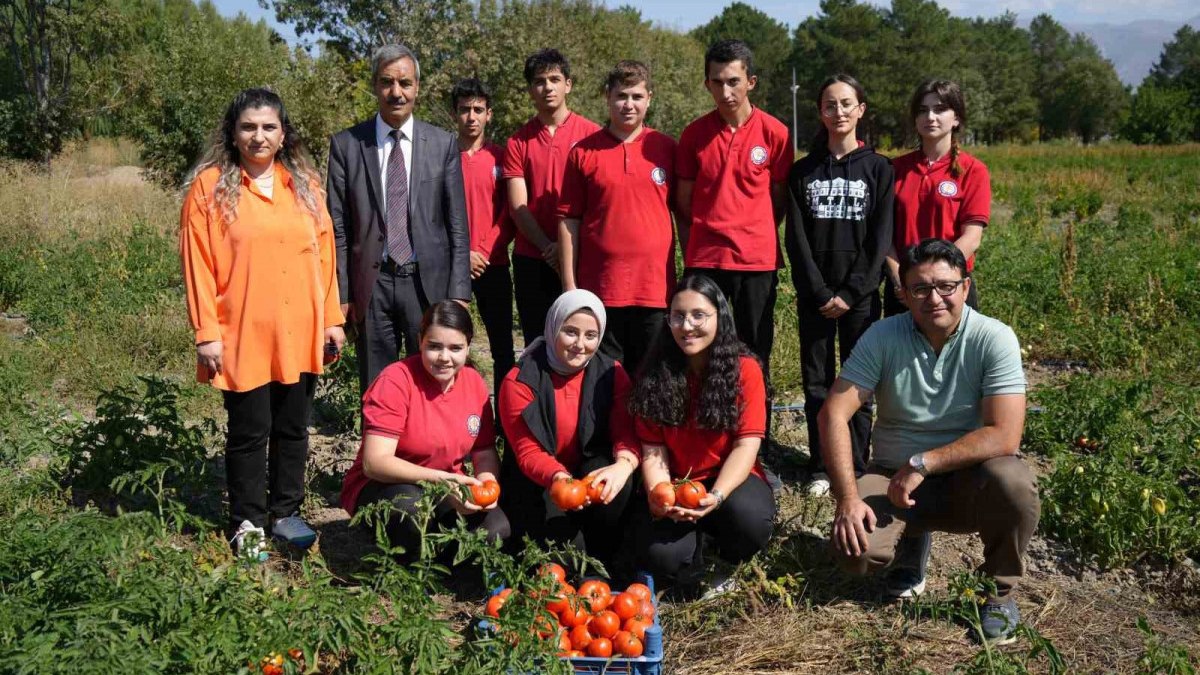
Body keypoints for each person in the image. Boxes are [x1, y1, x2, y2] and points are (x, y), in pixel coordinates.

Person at [820, 238, 1038, 645]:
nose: (933, 298)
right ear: (903, 294)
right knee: (855, 554)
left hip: (967, 477)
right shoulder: (882, 336)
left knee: (1013, 483)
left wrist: (923, 464)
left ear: (965, 287)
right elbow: (834, 411)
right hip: (891, 476)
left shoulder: (994, 338)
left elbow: (1006, 434)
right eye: (919, 289)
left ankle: (1000, 591)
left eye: (945, 286)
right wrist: (847, 496)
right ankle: (911, 541)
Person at [180, 87, 345, 558]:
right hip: (242, 330)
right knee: (250, 431)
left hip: (302, 328)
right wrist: (206, 333)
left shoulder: (306, 186)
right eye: (248, 127)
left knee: (294, 427)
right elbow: (199, 264)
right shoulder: (210, 187)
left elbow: (325, 257)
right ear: (232, 134)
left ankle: (287, 513)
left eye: (268, 127)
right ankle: (248, 522)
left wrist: (332, 320)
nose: (258, 136)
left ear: (283, 133)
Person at [327, 43, 471, 392]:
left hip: (428, 285)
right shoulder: (347, 145)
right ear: (375, 85)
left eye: (405, 83)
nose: (396, 92)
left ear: (417, 88)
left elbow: (457, 224)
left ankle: (426, 449)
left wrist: (459, 291)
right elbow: (338, 228)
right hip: (372, 285)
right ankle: (379, 448)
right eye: (387, 82)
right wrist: (341, 294)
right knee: (377, 387)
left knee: (433, 383)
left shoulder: (442, 144)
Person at [628, 273, 776, 594]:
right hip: (678, 482)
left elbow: (746, 446)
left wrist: (717, 496)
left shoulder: (744, 369)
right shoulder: (654, 372)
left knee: (750, 522)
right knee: (661, 558)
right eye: (678, 316)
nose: (687, 325)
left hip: (729, 479)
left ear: (719, 318)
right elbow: (653, 450)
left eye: (699, 315)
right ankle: (694, 547)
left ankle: (723, 549)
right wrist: (660, 495)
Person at [785, 75, 894, 495]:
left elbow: (880, 237)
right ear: (821, 113)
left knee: (859, 383)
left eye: (847, 104)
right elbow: (796, 239)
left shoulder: (879, 169)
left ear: (860, 109)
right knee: (817, 382)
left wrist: (851, 293)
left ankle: (857, 462)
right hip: (815, 296)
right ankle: (820, 464)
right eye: (830, 105)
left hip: (860, 299)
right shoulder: (802, 172)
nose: (839, 112)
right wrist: (818, 292)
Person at [340, 301, 509, 561]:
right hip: (388, 484)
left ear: (468, 347)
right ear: (420, 341)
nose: (444, 357)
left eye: (455, 348)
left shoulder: (474, 383)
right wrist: (444, 482)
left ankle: (434, 554)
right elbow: (375, 463)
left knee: (498, 529)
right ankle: (409, 561)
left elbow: (484, 450)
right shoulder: (396, 380)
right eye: (434, 346)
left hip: (447, 486)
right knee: (411, 512)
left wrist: (487, 485)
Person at [496, 289, 640, 573]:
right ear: (553, 328)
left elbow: (626, 431)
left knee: (618, 487)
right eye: (570, 332)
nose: (580, 345)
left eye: (590, 335)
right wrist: (560, 479)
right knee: (567, 561)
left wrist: (625, 464)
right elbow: (527, 453)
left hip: (588, 469)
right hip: (540, 480)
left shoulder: (612, 372)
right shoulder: (519, 380)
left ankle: (603, 543)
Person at [675, 39, 790, 374]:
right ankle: (707, 424)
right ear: (706, 83)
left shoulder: (775, 133)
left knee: (755, 350)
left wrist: (755, 229)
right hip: (706, 258)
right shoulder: (694, 135)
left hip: (756, 261)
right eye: (717, 82)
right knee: (701, 349)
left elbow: (779, 198)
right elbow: (684, 200)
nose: (725, 91)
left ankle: (756, 425)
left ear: (750, 81)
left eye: (733, 81)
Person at [558, 60, 677, 374]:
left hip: (655, 291)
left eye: (637, 97)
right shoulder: (582, 153)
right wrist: (571, 286)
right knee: (603, 384)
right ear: (607, 97)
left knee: (653, 381)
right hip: (601, 290)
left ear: (649, 98)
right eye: (622, 96)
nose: (629, 104)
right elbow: (569, 221)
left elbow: (686, 214)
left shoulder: (665, 149)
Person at [504, 49, 602, 344]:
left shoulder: (592, 136)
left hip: (581, 256)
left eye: (554, 79)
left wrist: (566, 248)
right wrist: (549, 246)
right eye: (539, 81)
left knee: (580, 340)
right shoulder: (517, 141)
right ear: (530, 89)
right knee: (537, 341)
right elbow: (518, 206)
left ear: (568, 84)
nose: (547, 87)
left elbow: (596, 202)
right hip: (532, 257)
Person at [885, 79, 991, 316]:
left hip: (950, 288)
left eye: (940, 109)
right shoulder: (893, 169)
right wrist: (900, 278)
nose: (930, 117)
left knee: (956, 354)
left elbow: (971, 238)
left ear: (956, 119)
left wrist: (936, 280)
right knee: (901, 354)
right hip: (904, 291)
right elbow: (884, 235)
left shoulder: (973, 170)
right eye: (923, 111)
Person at [452, 78, 516, 406]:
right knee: (451, 342)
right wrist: (463, 254)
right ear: (455, 115)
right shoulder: (441, 157)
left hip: (494, 264)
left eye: (478, 109)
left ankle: (506, 421)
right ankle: (457, 416)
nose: (471, 117)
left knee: (502, 347)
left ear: (489, 114)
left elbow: (510, 213)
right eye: (465, 110)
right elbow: (433, 215)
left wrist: (485, 249)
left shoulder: (502, 157)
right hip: (453, 268)